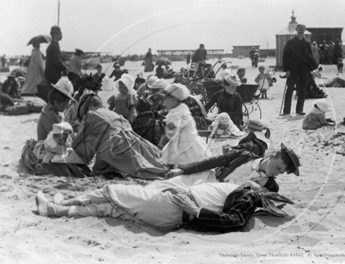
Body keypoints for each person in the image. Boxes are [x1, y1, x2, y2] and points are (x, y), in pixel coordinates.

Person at [34, 178, 295, 232]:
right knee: (112, 208)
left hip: (176, 209)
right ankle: (59, 209)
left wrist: (196, 211)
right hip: (173, 210)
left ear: (263, 191)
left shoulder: (250, 196)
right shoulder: (242, 192)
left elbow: (235, 221)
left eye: (261, 182)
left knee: (111, 191)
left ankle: (60, 205)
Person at [72, 93, 168, 180]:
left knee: (101, 169)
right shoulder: (114, 114)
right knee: (151, 165)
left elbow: (81, 150)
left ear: (89, 107)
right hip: (135, 142)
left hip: (113, 148)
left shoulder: (92, 115)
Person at [168, 142, 300, 193]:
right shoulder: (243, 155)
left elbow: (270, 200)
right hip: (210, 180)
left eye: (280, 172)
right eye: (278, 167)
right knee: (172, 185)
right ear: (272, 155)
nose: (276, 173)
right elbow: (213, 161)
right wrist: (183, 169)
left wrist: (258, 189)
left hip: (217, 198)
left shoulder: (270, 185)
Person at [160, 83, 210, 167]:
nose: (164, 101)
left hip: (184, 143)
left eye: (166, 99)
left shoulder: (175, 113)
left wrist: (161, 144)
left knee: (182, 161)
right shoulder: (182, 107)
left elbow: (171, 131)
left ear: (173, 100)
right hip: (190, 140)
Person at [282, 24, 318, 116]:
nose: (301, 32)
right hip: (292, 70)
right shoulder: (290, 42)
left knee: (302, 90)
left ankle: (299, 110)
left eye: (302, 31)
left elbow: (310, 57)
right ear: (296, 30)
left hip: (304, 70)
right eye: (299, 30)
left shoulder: (307, 43)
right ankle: (286, 111)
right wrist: (287, 69)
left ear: (304, 31)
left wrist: (311, 68)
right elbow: (285, 57)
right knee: (289, 89)